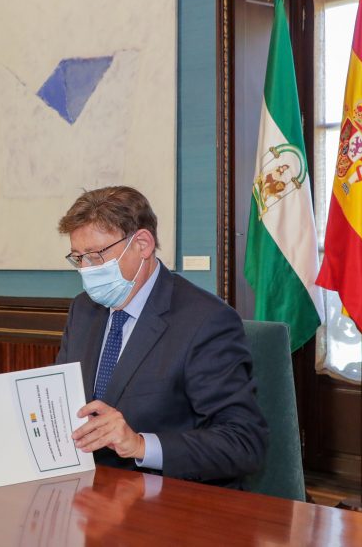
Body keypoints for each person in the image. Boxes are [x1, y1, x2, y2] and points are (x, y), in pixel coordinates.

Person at [55, 186, 267, 488]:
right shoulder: (84, 310)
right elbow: (65, 400)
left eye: (96, 256)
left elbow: (243, 443)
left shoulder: (206, 321)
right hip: (91, 487)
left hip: (169, 496)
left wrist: (141, 445)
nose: (86, 270)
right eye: (78, 258)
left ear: (142, 244)